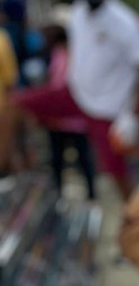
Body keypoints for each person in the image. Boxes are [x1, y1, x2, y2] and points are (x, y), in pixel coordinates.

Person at [0, 0, 139, 201]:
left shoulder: (124, 22)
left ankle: (138, 221)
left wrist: (134, 114)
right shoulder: (79, 11)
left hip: (107, 108)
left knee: (116, 174)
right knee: (13, 105)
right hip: (74, 93)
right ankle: (7, 172)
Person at [40, 22, 97, 200]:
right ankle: (58, 194)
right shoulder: (57, 55)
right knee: (58, 159)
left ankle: (91, 194)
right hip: (57, 119)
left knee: (83, 158)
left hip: (74, 119)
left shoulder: (76, 56)